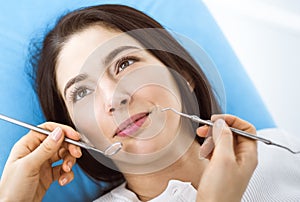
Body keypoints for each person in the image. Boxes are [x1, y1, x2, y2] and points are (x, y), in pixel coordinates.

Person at [0, 4, 259, 201]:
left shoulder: (284, 154)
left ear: (183, 75)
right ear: (76, 133)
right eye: (82, 93)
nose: (114, 98)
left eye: (124, 64)